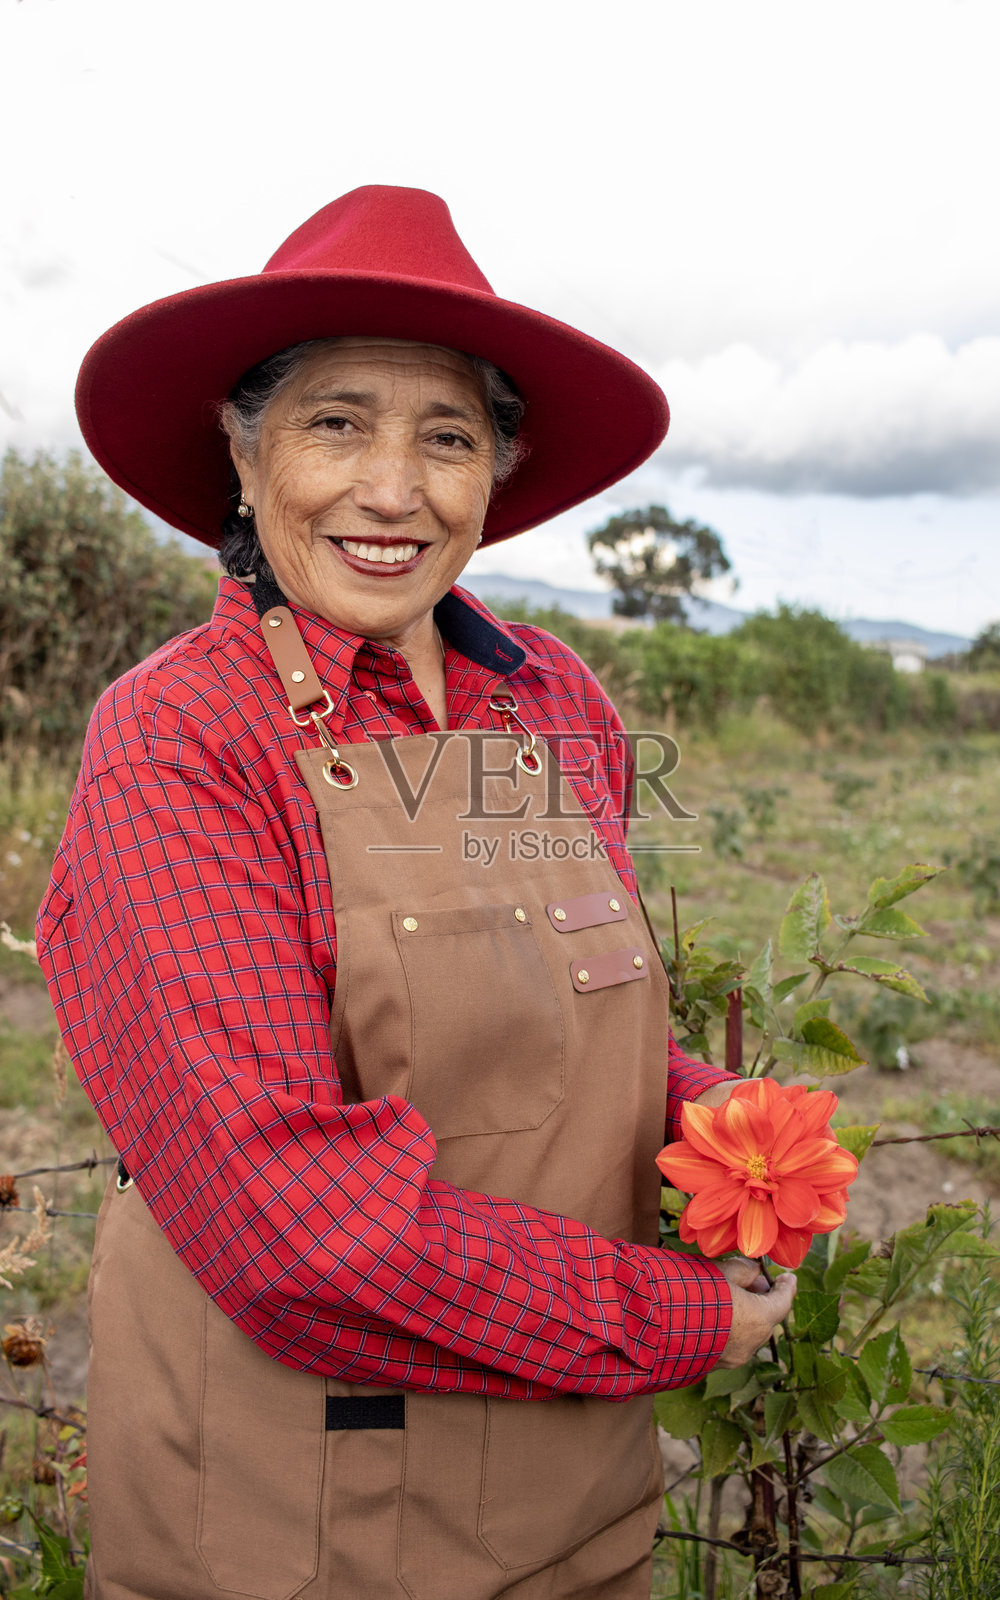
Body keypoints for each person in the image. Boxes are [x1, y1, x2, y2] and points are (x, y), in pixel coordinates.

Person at [38, 185, 796, 1600]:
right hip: (296, 1524)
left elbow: (568, 1024)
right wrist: (682, 1315)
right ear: (242, 444)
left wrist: (725, 1130)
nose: (394, 489)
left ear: (496, 472)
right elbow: (293, 1234)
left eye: (446, 436)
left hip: (577, 1504)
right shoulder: (182, 737)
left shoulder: (552, 699)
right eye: (338, 421)